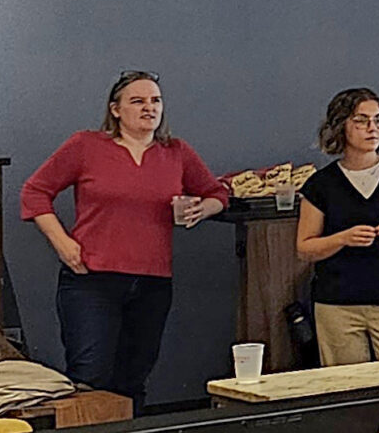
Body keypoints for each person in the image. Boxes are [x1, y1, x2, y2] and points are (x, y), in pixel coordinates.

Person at [19, 71, 231, 402]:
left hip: (152, 283)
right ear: (116, 109)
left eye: (155, 101)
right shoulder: (86, 146)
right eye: (138, 101)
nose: (149, 108)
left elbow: (217, 193)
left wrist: (202, 209)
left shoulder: (176, 152)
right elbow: (34, 192)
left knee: (134, 376)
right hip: (92, 279)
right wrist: (62, 243)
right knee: (90, 376)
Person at [296, 88, 379, 365]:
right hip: (338, 304)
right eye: (361, 120)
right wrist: (342, 238)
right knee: (347, 385)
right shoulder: (322, 184)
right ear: (340, 126)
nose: (372, 128)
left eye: (378, 120)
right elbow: (305, 248)